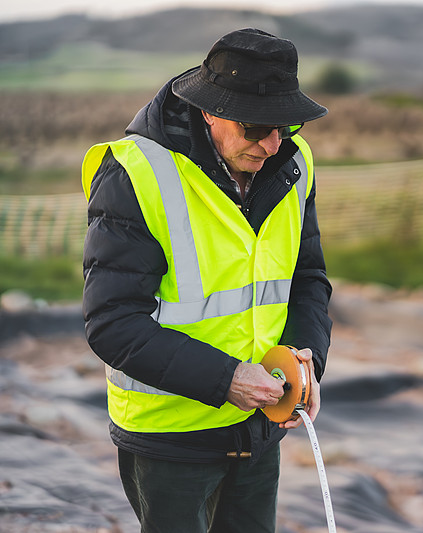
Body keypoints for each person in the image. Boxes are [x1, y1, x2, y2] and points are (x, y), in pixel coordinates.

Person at [81, 28, 332, 533]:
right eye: (257, 127)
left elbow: (308, 279)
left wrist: (307, 356)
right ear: (211, 110)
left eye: (286, 126)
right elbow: (112, 323)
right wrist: (228, 379)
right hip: (171, 439)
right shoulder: (135, 173)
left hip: (260, 428)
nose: (272, 143)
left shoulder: (293, 165)